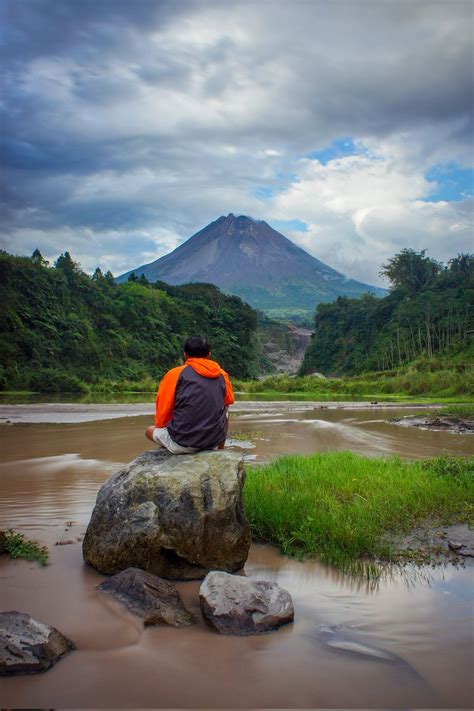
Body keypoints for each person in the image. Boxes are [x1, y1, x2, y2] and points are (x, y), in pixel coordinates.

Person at [145, 335, 234, 454]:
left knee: (149, 431)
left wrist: (164, 428)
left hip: (181, 443)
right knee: (226, 410)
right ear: (209, 355)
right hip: (212, 443)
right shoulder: (221, 374)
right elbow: (228, 401)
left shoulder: (174, 374)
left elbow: (163, 410)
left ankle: (172, 448)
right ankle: (220, 449)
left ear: (185, 355)